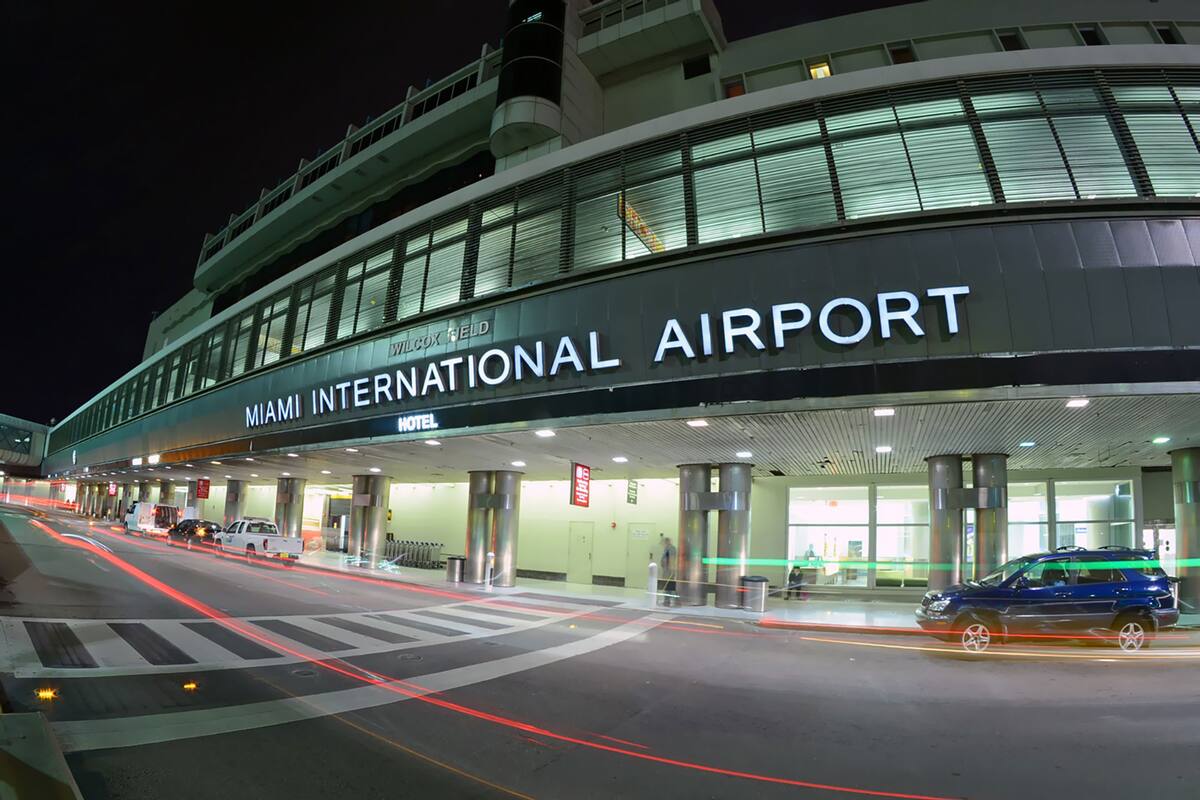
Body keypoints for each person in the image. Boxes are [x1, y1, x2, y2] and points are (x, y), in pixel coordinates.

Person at [660, 537, 678, 606]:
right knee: (667, 585)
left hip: (669, 570)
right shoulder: (667, 549)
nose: (663, 544)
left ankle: (668, 601)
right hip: (666, 569)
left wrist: (671, 569)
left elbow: (671, 559)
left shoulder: (671, 549)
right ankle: (667, 600)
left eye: (664, 543)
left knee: (669, 585)